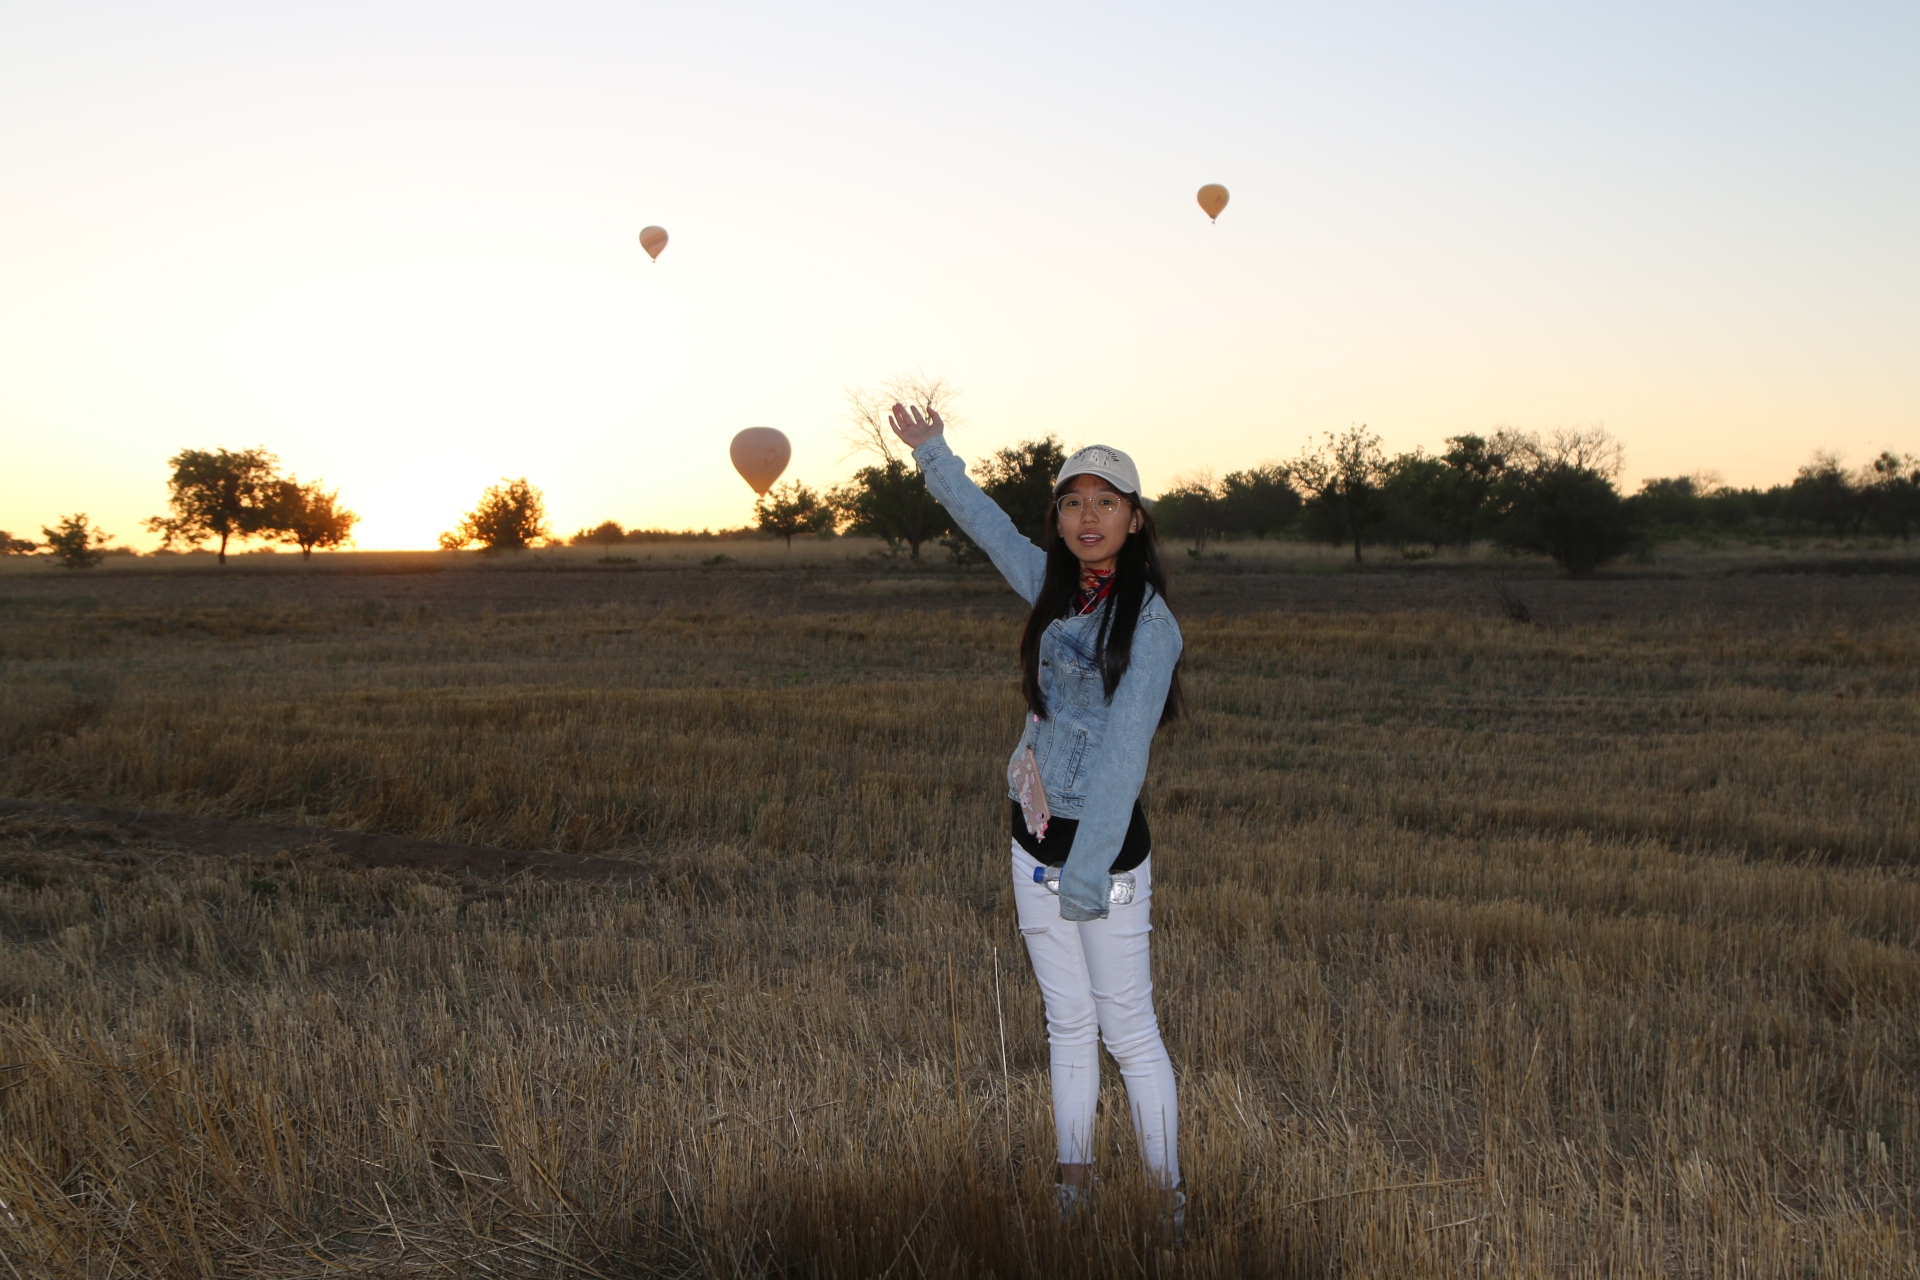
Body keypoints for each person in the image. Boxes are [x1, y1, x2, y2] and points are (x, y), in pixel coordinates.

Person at [890, 403, 1187, 1237]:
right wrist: (934, 454)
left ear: (1134, 519)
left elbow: (1127, 758)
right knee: (1067, 1025)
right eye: (1072, 502)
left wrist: (1085, 875)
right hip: (1033, 839)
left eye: (1105, 502)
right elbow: (985, 528)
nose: (1087, 517)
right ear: (1057, 518)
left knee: (1129, 1033)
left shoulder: (1151, 625)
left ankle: (1168, 1205)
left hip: (1105, 860)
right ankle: (1072, 1189)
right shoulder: (1051, 588)